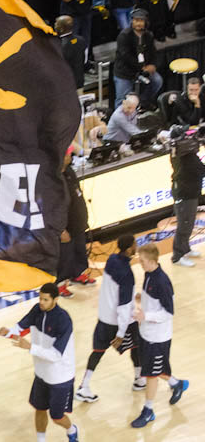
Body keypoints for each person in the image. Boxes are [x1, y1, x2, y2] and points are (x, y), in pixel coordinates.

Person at [0, 283, 80, 442]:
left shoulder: (64, 320)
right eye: (40, 298)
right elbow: (21, 327)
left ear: (56, 299)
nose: (41, 302)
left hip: (60, 377)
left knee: (57, 417)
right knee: (39, 409)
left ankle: (71, 430)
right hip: (41, 373)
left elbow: (56, 355)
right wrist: (8, 332)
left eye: (45, 300)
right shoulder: (37, 310)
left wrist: (30, 347)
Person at [74, 234, 145, 403]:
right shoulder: (127, 274)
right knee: (137, 345)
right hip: (119, 321)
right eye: (134, 244)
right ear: (129, 249)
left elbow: (115, 290)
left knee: (97, 352)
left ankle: (84, 386)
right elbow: (123, 306)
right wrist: (120, 333)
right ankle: (139, 379)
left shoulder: (112, 259)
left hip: (104, 317)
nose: (136, 246)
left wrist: (132, 294)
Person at [130, 242, 189, 427]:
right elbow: (154, 301)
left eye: (142, 260)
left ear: (152, 260)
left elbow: (168, 312)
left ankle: (148, 411)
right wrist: (143, 298)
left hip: (158, 337)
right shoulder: (149, 274)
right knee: (152, 368)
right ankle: (176, 384)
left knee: (151, 375)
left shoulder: (162, 282)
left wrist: (145, 316)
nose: (140, 263)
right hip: (146, 333)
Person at [168, 123, 205, 267]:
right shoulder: (185, 157)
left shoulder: (181, 153)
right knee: (184, 225)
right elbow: (202, 170)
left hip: (190, 192)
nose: (191, 138)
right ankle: (177, 256)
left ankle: (185, 249)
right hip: (184, 194)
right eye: (187, 136)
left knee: (189, 223)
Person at [57, 145, 91, 298]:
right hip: (64, 225)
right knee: (64, 256)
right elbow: (51, 207)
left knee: (79, 250)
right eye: (67, 155)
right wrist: (60, 229)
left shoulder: (69, 171)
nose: (70, 157)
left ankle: (78, 274)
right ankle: (60, 285)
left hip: (77, 221)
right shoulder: (53, 178)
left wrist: (83, 217)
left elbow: (77, 192)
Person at [112, 8, 162, 107]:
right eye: (136, 20)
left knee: (157, 81)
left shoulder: (148, 35)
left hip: (143, 70)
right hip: (125, 72)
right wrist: (142, 68)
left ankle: (141, 103)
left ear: (145, 22)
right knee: (122, 100)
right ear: (132, 21)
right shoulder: (124, 36)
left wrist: (153, 65)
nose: (138, 23)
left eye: (141, 20)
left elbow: (153, 52)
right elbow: (126, 56)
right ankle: (119, 114)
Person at [56, 16, 85, 90]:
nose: (55, 26)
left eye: (56, 24)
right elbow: (83, 60)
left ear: (61, 29)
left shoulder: (59, 45)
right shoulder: (81, 40)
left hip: (65, 84)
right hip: (79, 81)